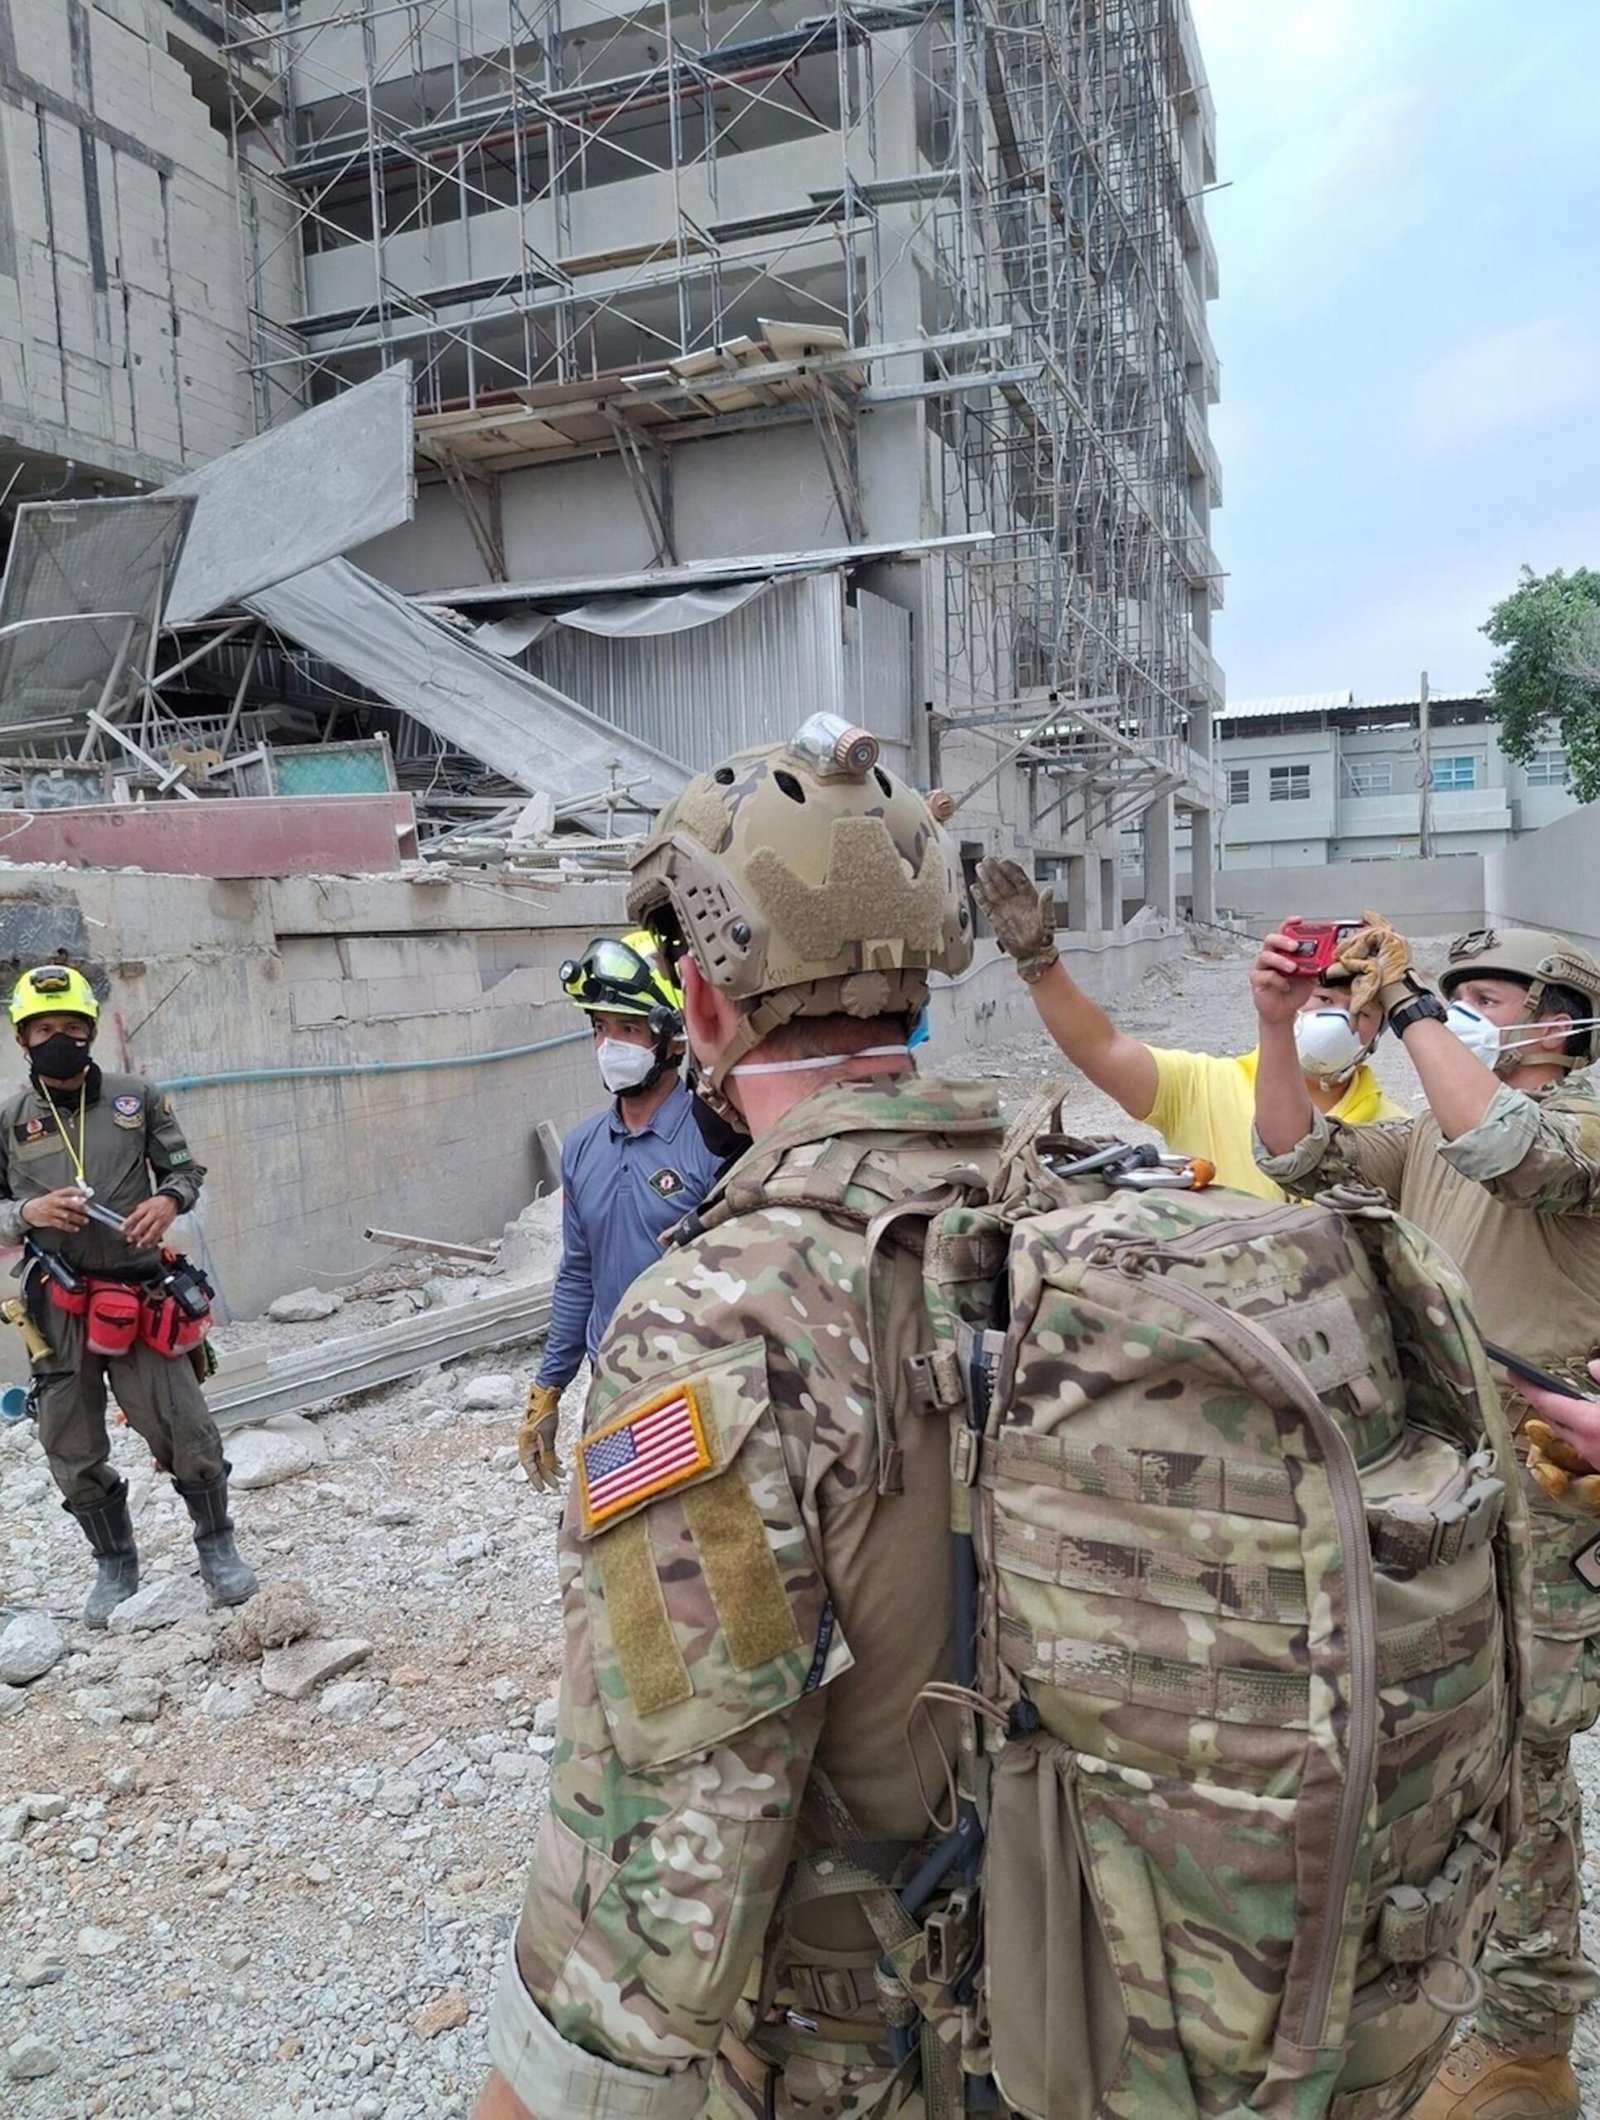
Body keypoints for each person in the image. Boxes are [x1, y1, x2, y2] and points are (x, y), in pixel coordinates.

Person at [475, 719, 1000, 2120]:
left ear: (702, 1004)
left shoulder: (710, 1318)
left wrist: (537, 2090)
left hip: (871, 2047)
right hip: (1097, 1994)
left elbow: (678, 1814)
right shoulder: (1053, 1204)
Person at [1251, 919, 1600, 2120]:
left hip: (1554, 1491)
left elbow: (1514, 1152)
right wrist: (1276, 1025)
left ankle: (1526, 2039)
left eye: (1485, 996)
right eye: (1450, 993)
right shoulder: (1432, 1139)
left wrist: (1402, 1007)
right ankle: (1462, 1989)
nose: (1454, 1011)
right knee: (1454, 1739)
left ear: (1561, 1018)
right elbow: (1296, 1156)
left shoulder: (1574, 1118)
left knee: (1529, 1757)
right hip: (1461, 1486)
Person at [0, 964, 256, 1626]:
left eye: (73, 1026)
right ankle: (115, 1562)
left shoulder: (135, 1098)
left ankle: (217, 1545)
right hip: (58, 1301)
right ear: (22, 1038)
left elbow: (186, 1171)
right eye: (44, 1030)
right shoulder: (9, 1120)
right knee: (69, 1440)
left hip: (140, 1290)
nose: (60, 1039)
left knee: (183, 1423)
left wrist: (167, 1201)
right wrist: (27, 1213)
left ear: (92, 1031)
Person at [971, 857, 1405, 1195]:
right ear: (1294, 997)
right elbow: (1102, 1049)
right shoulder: (1204, 1088)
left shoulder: (1394, 1134)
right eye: (1324, 1000)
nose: (1338, 1021)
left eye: (1362, 1013)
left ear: (1380, 1033)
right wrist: (1041, 967)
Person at [516, 932, 723, 1490]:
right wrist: (548, 1388)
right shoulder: (583, 1149)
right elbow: (578, 1273)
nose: (610, 1046)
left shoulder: (716, 1144)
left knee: (695, 1537)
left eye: (628, 1029)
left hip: (697, 1391)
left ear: (673, 1040)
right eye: (599, 1028)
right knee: (609, 1530)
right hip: (610, 1387)